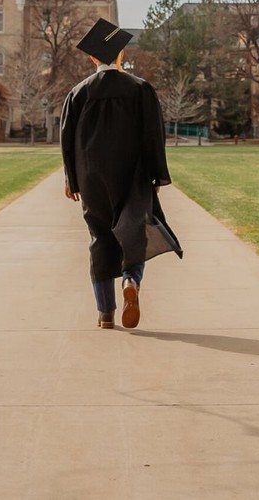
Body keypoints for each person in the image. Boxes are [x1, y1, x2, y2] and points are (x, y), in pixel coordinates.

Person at [61, 18, 181, 330]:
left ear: (92, 58)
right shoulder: (140, 89)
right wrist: (157, 176)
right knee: (134, 233)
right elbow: (153, 136)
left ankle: (105, 313)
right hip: (133, 174)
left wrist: (71, 180)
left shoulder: (78, 93)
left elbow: (67, 139)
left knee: (100, 238)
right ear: (121, 55)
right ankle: (131, 282)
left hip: (92, 178)